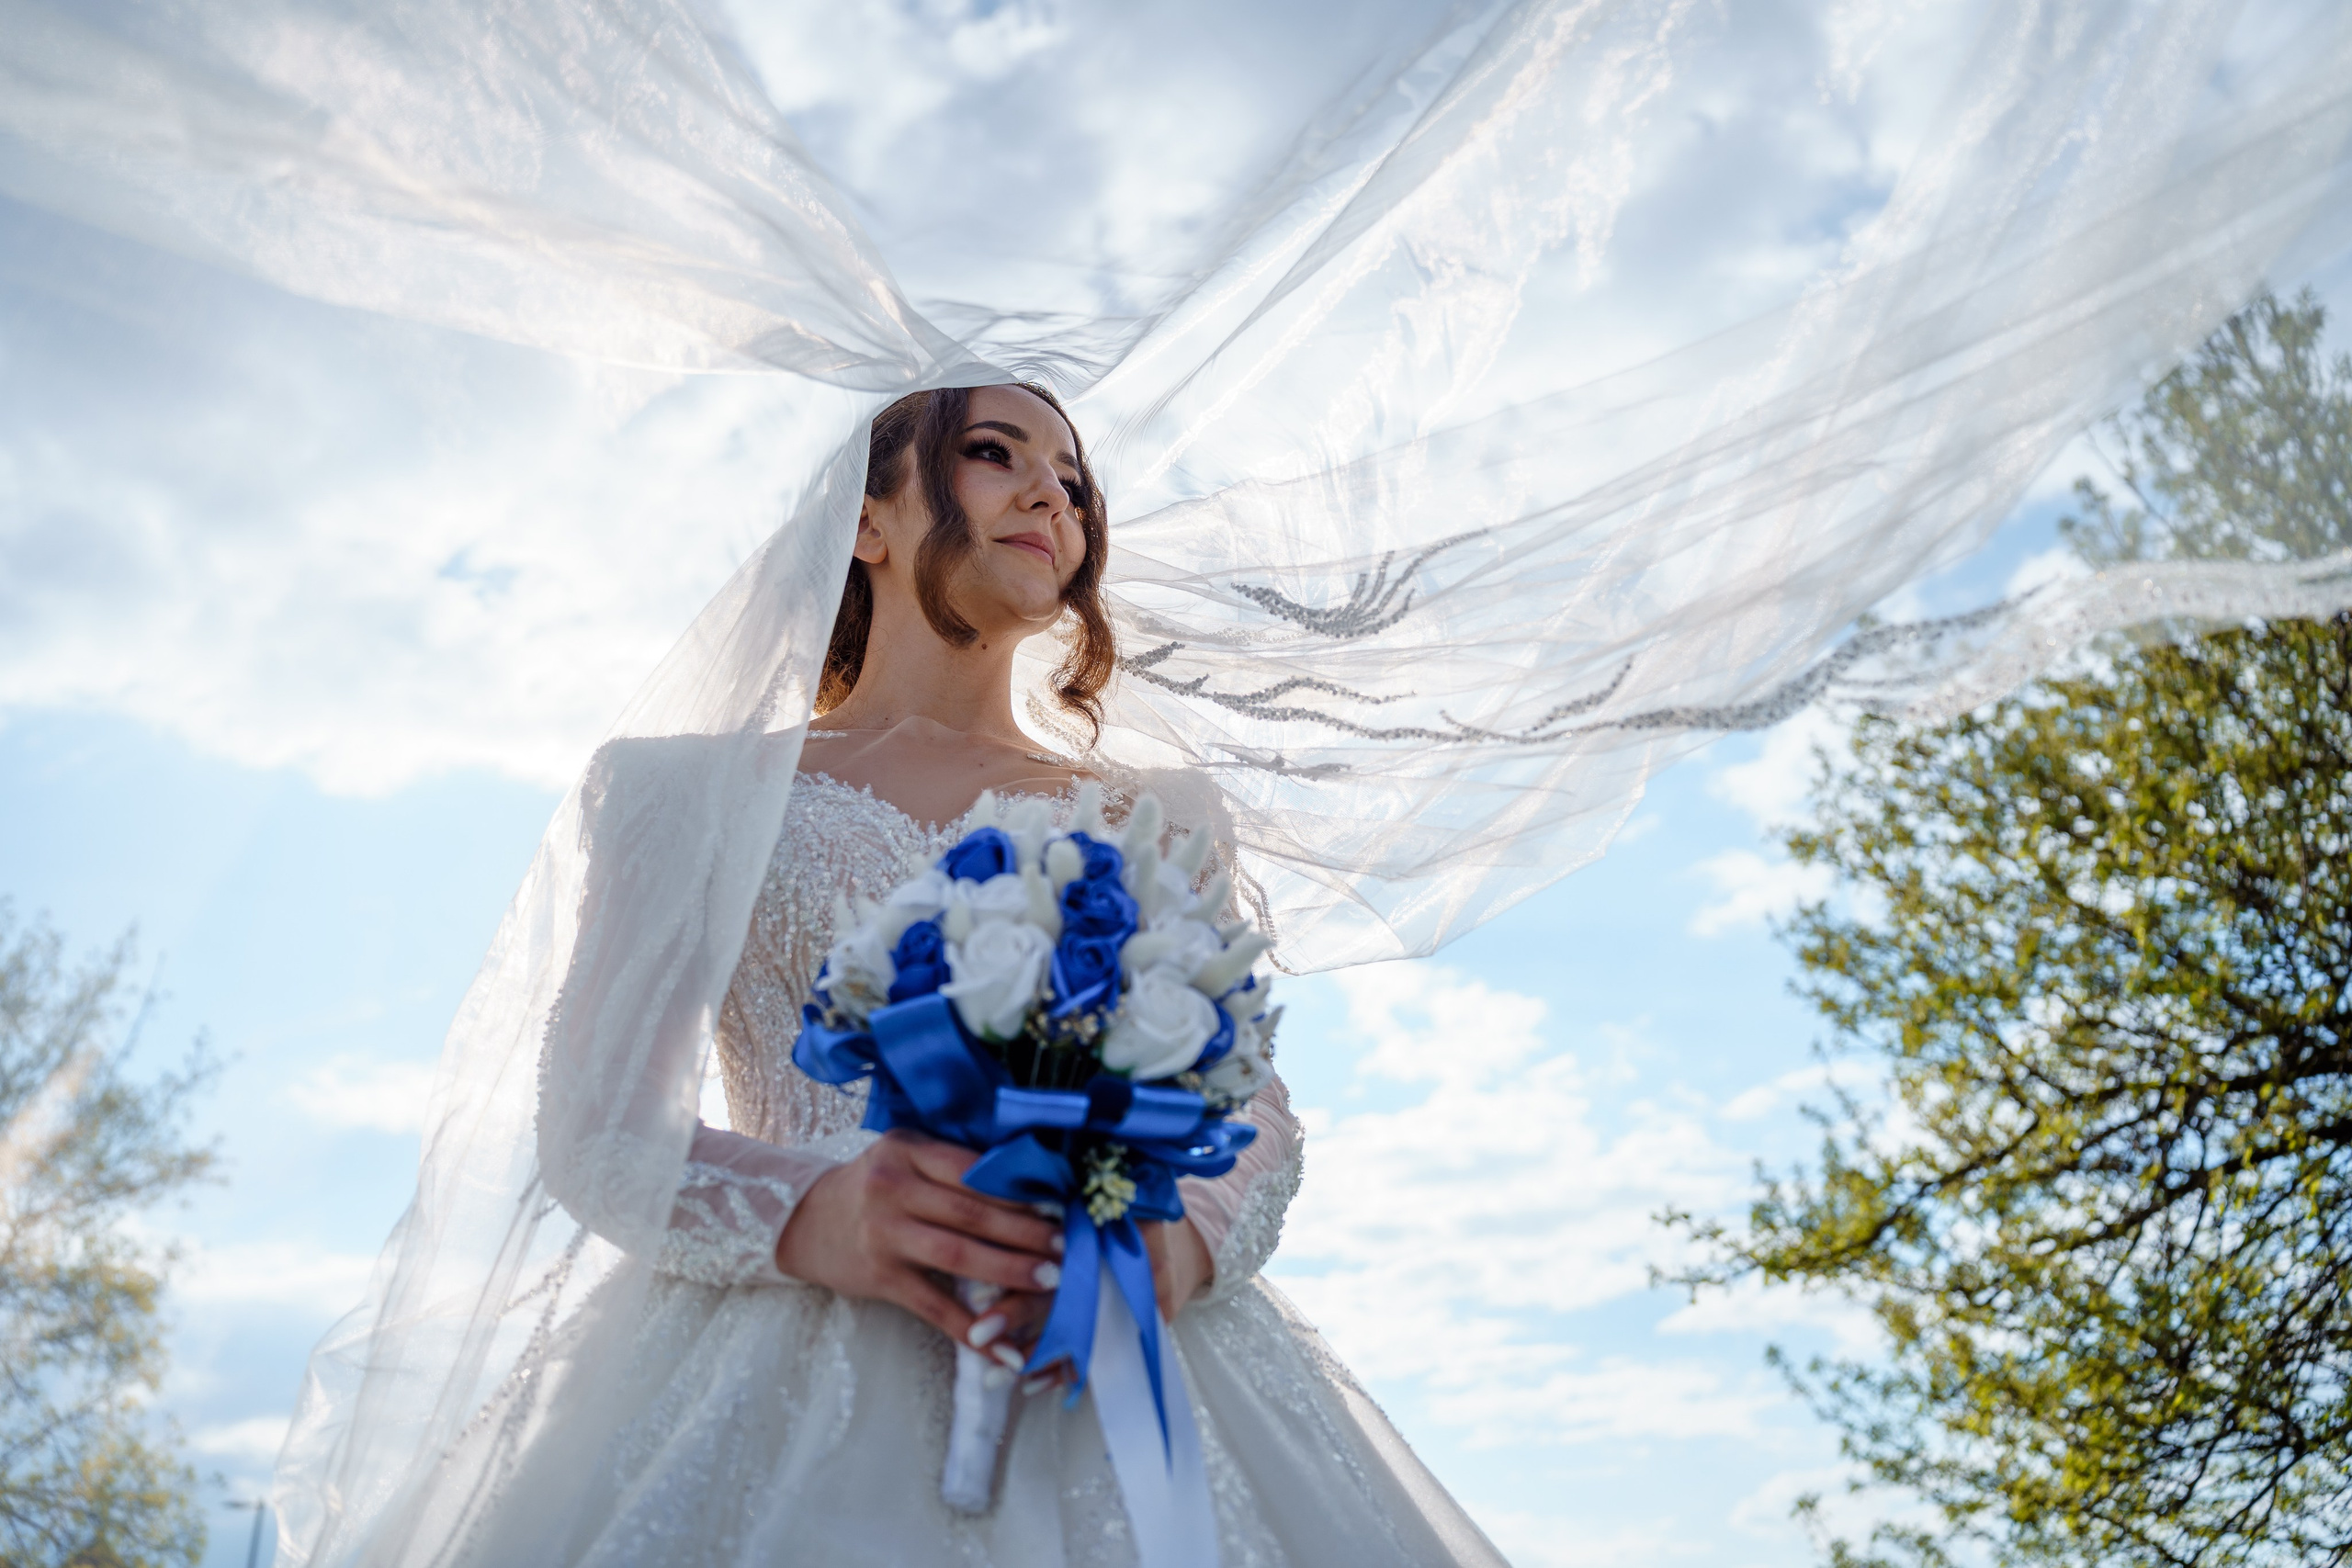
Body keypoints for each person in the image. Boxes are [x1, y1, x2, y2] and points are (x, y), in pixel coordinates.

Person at [434, 380, 1510, 1567]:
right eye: (997, 453)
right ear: (866, 521)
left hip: (1115, 1319)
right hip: (781, 1334)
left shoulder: (1154, 811)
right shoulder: (684, 793)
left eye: (1077, 481)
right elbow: (599, 1126)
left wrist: (1178, 1238)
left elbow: (1247, 1101)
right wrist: (815, 1210)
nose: (1054, 490)